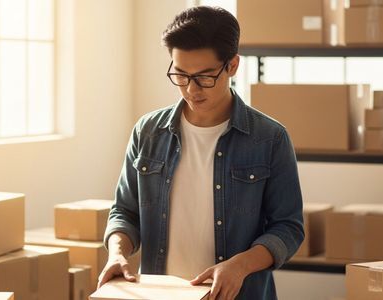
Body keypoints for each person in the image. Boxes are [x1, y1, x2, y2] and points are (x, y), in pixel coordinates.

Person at [97, 6, 304, 300]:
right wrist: (117, 253)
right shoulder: (148, 132)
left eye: (205, 77)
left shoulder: (269, 138)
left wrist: (239, 266)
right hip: (158, 294)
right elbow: (124, 212)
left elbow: (289, 228)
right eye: (180, 75)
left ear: (232, 66)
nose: (191, 89)